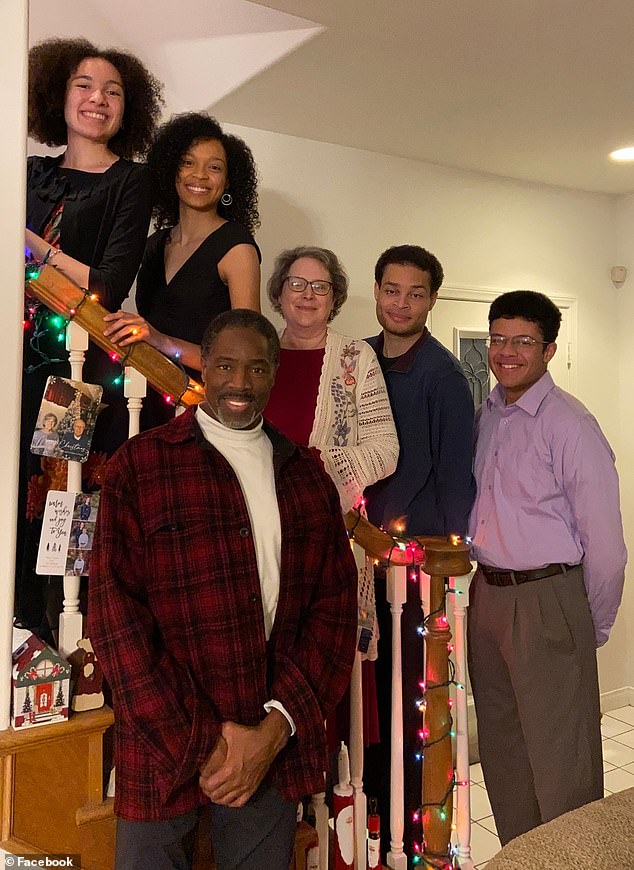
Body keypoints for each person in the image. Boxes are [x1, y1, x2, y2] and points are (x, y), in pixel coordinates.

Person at [88, 309, 358, 870]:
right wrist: (203, 741)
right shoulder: (141, 466)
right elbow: (115, 617)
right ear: (203, 366)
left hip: (268, 748)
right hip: (161, 745)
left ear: (275, 372)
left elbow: (332, 613)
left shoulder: (307, 477)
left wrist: (274, 730)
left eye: (257, 369)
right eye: (227, 366)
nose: (240, 383)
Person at [468, 290, 627, 846]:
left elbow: (607, 547)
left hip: (548, 600)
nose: (507, 352)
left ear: (550, 349)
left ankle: (576, 858)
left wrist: (587, 627)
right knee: (503, 750)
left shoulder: (571, 425)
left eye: (524, 342)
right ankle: (523, 856)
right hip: (486, 596)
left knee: (562, 760)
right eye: (499, 339)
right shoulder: (488, 414)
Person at [19, 37, 162, 633]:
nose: (97, 99)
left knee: (63, 510)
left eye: (113, 91)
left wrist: (31, 247)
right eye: (84, 85)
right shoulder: (27, 170)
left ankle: (52, 639)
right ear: (60, 94)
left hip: (75, 369)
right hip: (16, 359)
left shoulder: (132, 181)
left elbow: (108, 278)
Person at [363, 244, 476, 857]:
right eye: (391, 289)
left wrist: (447, 563)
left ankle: (415, 835)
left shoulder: (442, 377)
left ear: (431, 299)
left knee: (414, 707)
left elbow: (456, 477)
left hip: (415, 571)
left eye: (415, 293)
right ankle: (372, 815)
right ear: (376, 290)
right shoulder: (358, 359)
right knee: (371, 697)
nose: (400, 302)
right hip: (363, 560)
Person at [264, 246, 399, 746]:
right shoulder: (260, 352)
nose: (307, 295)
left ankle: (335, 797)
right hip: (265, 537)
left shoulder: (353, 358)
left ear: (335, 298)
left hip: (332, 539)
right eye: (297, 284)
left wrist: (321, 470)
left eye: (320, 287)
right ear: (278, 292)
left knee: (324, 662)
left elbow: (386, 449)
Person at [103, 112, 261, 429]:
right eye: (188, 163)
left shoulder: (236, 247)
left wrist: (161, 341)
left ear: (228, 182)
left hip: (200, 408)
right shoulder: (152, 244)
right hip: (142, 398)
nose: (200, 175)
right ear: (171, 170)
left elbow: (247, 351)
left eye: (214, 167)